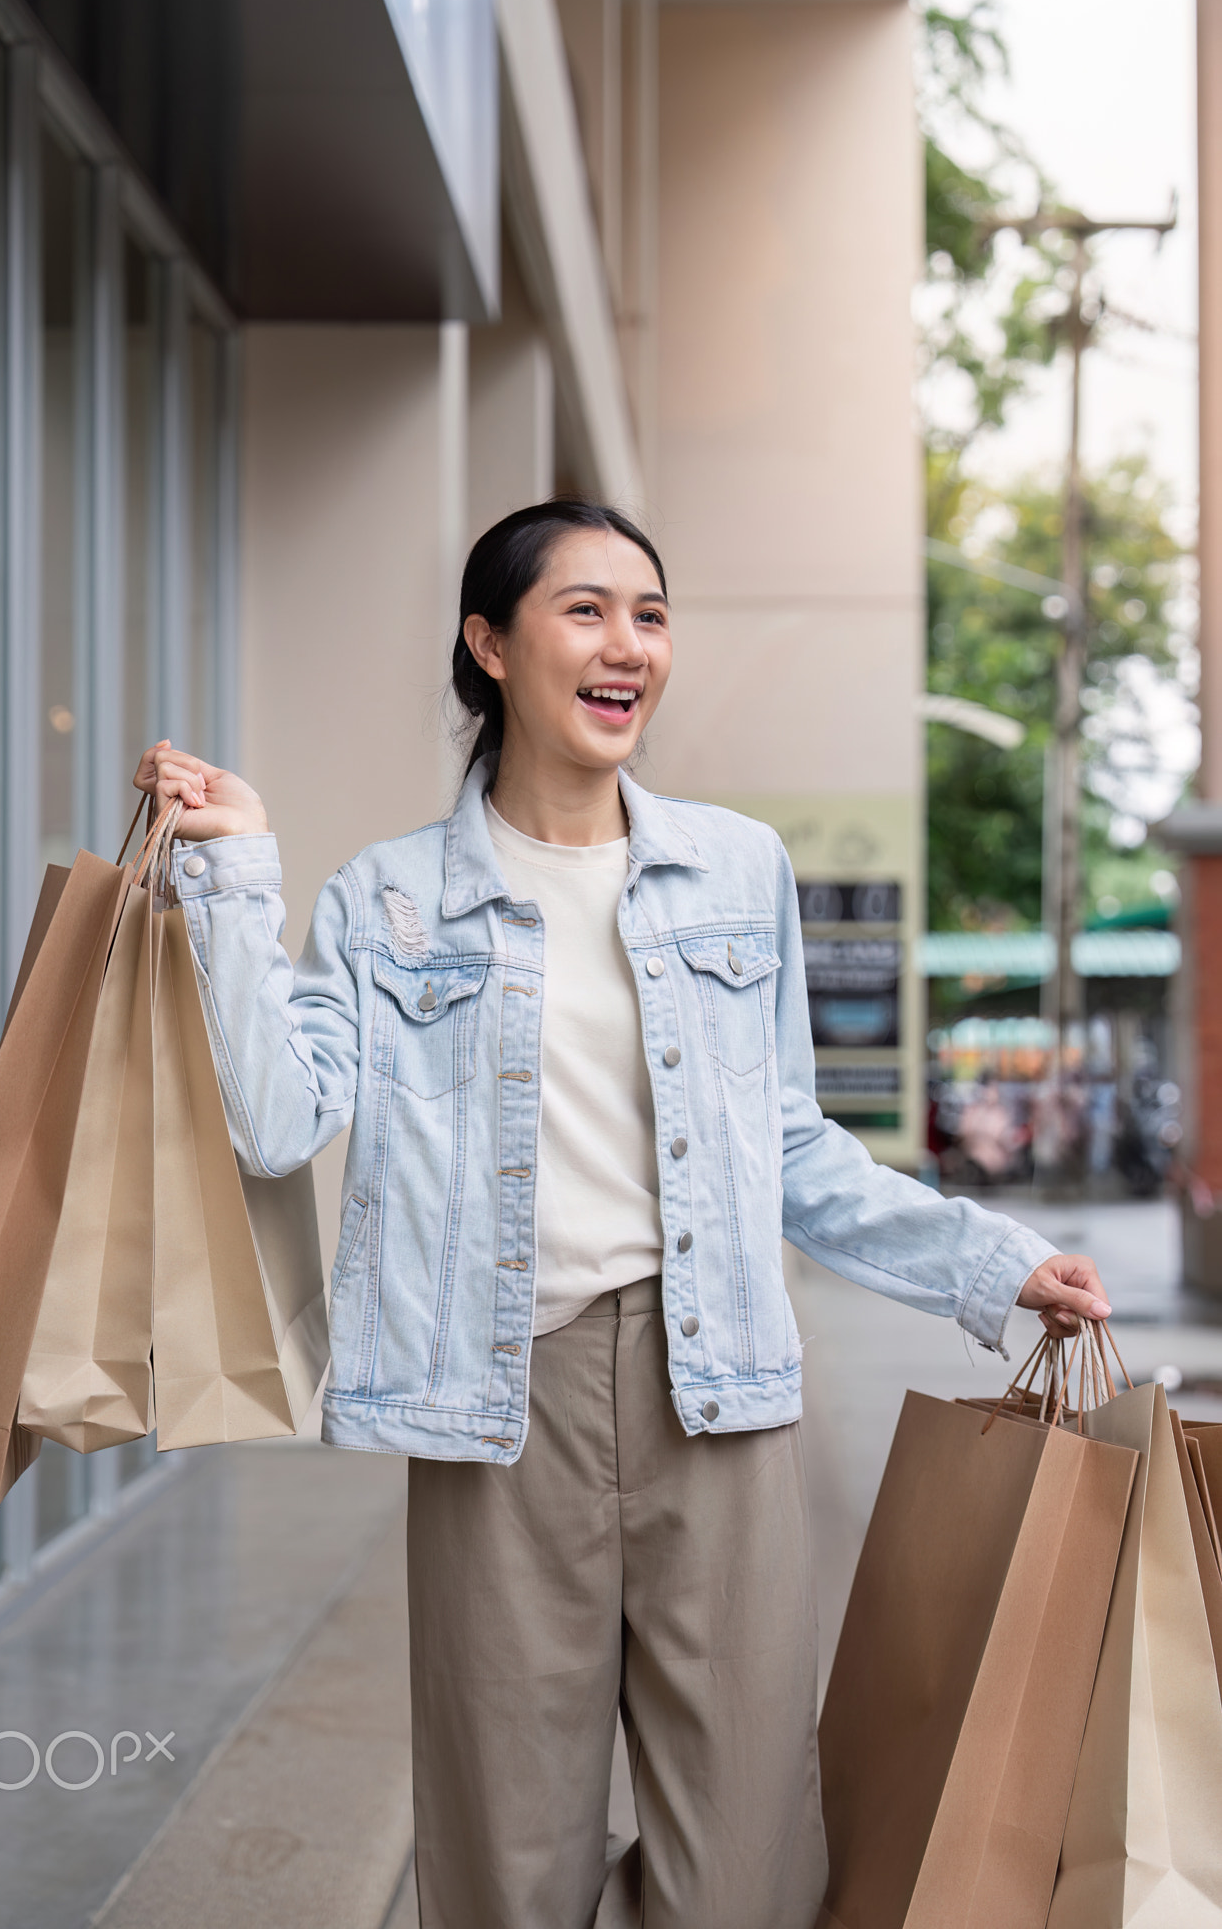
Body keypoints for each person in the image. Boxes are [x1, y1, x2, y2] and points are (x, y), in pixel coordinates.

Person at [135, 498, 1110, 1929]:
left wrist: (995, 1264)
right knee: (507, 1847)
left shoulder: (732, 872)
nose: (626, 645)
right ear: (488, 643)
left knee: (747, 1861)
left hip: (711, 1386)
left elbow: (787, 1144)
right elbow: (277, 1120)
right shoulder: (390, 901)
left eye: (648, 614)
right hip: (494, 1397)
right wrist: (234, 867)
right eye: (583, 609)